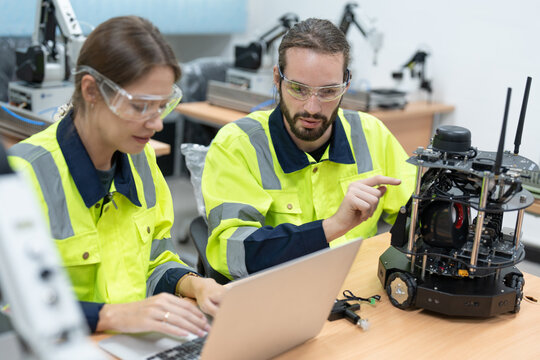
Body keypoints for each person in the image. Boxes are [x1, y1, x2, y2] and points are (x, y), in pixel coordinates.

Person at [8, 16, 224, 337]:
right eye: (141, 106)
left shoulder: (141, 158)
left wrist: (194, 283)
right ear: (92, 91)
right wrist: (108, 317)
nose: (157, 124)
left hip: (133, 343)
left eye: (162, 106)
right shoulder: (22, 175)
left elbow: (154, 259)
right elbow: (10, 308)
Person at [201, 18, 416, 280]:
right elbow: (230, 252)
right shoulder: (236, 145)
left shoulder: (372, 134)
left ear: (346, 84)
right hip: (275, 293)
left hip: (356, 286)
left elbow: (417, 215)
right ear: (276, 78)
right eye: (298, 88)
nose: (312, 107)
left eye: (328, 91)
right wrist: (333, 227)